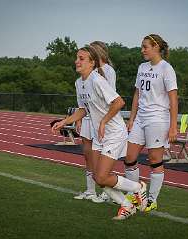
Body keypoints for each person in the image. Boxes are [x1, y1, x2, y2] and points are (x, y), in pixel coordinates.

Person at [52, 46, 147, 220]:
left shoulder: (97, 80)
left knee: (102, 176)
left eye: (81, 58)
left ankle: (138, 188)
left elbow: (119, 102)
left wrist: (103, 121)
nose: (77, 61)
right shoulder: (78, 82)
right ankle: (126, 205)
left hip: (114, 133)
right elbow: (83, 110)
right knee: (98, 177)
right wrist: (64, 122)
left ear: (92, 62)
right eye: (77, 58)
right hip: (100, 135)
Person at [124, 34, 178, 212]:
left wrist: (173, 126)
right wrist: (131, 119)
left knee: (155, 161)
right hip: (140, 118)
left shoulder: (166, 68)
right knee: (129, 158)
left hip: (158, 119)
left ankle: (152, 199)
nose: (142, 50)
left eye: (145, 47)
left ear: (156, 47)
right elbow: (137, 94)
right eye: (142, 47)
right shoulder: (142, 67)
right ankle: (136, 195)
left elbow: (173, 99)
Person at [73, 41, 116, 203]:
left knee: (103, 157)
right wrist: (80, 118)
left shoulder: (107, 71)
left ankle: (107, 192)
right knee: (88, 155)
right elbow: (83, 103)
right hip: (88, 118)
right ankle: (90, 190)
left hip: (100, 119)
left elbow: (109, 98)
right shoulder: (84, 76)